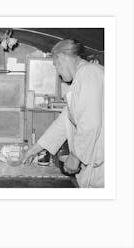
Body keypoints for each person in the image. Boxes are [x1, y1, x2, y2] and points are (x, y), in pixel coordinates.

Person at [23, 39, 104, 188]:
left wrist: (75, 156)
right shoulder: (82, 78)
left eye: (56, 65)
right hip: (95, 168)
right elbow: (63, 122)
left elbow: (91, 123)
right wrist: (34, 150)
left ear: (62, 57)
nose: (58, 72)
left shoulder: (90, 73)